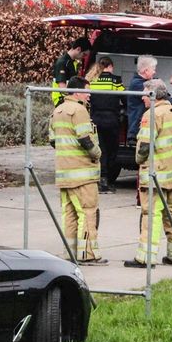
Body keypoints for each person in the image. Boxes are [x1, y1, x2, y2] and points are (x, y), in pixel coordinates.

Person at [125, 80, 172, 268]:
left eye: (144, 93)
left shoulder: (151, 115)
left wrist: (139, 160)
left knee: (152, 215)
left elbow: (144, 147)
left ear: (154, 96)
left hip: (157, 176)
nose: (141, 97)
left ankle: (145, 258)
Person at [48, 76, 106, 265]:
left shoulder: (58, 110)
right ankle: (88, 254)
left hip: (64, 173)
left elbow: (52, 140)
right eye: (87, 91)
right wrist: (98, 154)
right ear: (78, 91)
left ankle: (70, 253)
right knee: (87, 212)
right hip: (83, 175)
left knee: (69, 215)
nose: (89, 96)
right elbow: (85, 139)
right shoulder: (79, 110)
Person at [87, 56, 125, 194]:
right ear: (110, 66)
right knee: (112, 151)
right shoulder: (116, 80)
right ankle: (108, 180)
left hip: (96, 119)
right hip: (111, 120)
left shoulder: (92, 80)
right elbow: (124, 97)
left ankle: (101, 180)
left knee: (100, 150)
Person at [126, 55, 158, 147]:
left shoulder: (140, 82)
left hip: (140, 129)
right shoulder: (139, 84)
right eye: (153, 69)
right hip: (137, 131)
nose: (154, 72)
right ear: (146, 70)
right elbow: (161, 95)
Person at [51, 37, 91, 107]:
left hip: (69, 99)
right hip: (62, 100)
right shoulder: (62, 63)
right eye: (84, 54)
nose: (83, 57)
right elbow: (62, 88)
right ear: (78, 49)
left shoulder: (72, 62)